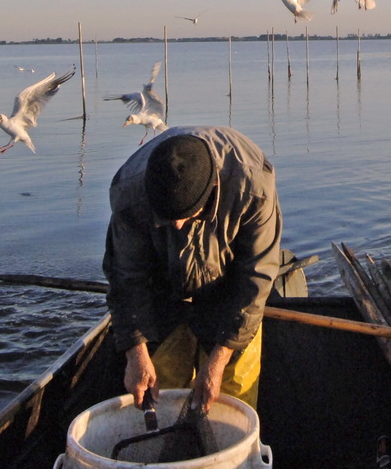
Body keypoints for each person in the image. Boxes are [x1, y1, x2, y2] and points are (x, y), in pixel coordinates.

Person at [103, 125, 282, 413]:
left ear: (210, 192)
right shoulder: (129, 194)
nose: (176, 227)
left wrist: (219, 359)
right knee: (160, 385)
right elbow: (126, 277)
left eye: (186, 216)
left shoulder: (253, 187)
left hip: (230, 281)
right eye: (167, 218)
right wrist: (135, 352)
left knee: (230, 395)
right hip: (163, 284)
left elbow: (256, 277)